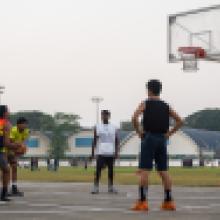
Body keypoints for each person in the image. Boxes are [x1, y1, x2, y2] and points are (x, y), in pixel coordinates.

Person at [131, 79, 183, 211]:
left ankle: (142, 201)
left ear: (148, 89)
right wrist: (169, 134)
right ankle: (168, 201)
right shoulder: (166, 105)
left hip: (149, 137)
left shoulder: (145, 103)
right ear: (160, 90)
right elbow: (180, 121)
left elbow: (134, 118)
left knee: (144, 170)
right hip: (162, 139)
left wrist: (139, 132)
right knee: (163, 171)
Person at [91, 110, 119, 194]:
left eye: (106, 115)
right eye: (103, 115)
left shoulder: (114, 127)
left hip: (111, 151)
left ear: (109, 116)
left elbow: (117, 140)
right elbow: (95, 140)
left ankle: (110, 187)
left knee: (111, 170)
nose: (104, 117)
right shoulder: (98, 126)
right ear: (101, 116)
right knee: (98, 170)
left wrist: (117, 152)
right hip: (101, 152)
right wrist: (93, 152)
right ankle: (96, 187)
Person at [0, 105, 21, 201]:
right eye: (8, 110)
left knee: (6, 169)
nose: (9, 112)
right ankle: (3, 194)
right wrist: (16, 146)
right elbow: (6, 143)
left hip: (2, 151)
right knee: (6, 170)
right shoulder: (6, 124)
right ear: (4, 113)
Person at [8, 117, 29, 196]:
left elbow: (22, 142)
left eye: (26, 124)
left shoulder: (26, 131)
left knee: (14, 168)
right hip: (7, 150)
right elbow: (10, 142)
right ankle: (4, 189)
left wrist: (21, 149)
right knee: (5, 170)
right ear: (18, 125)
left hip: (14, 151)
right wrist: (18, 147)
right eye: (24, 124)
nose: (25, 126)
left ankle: (14, 187)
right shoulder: (13, 130)